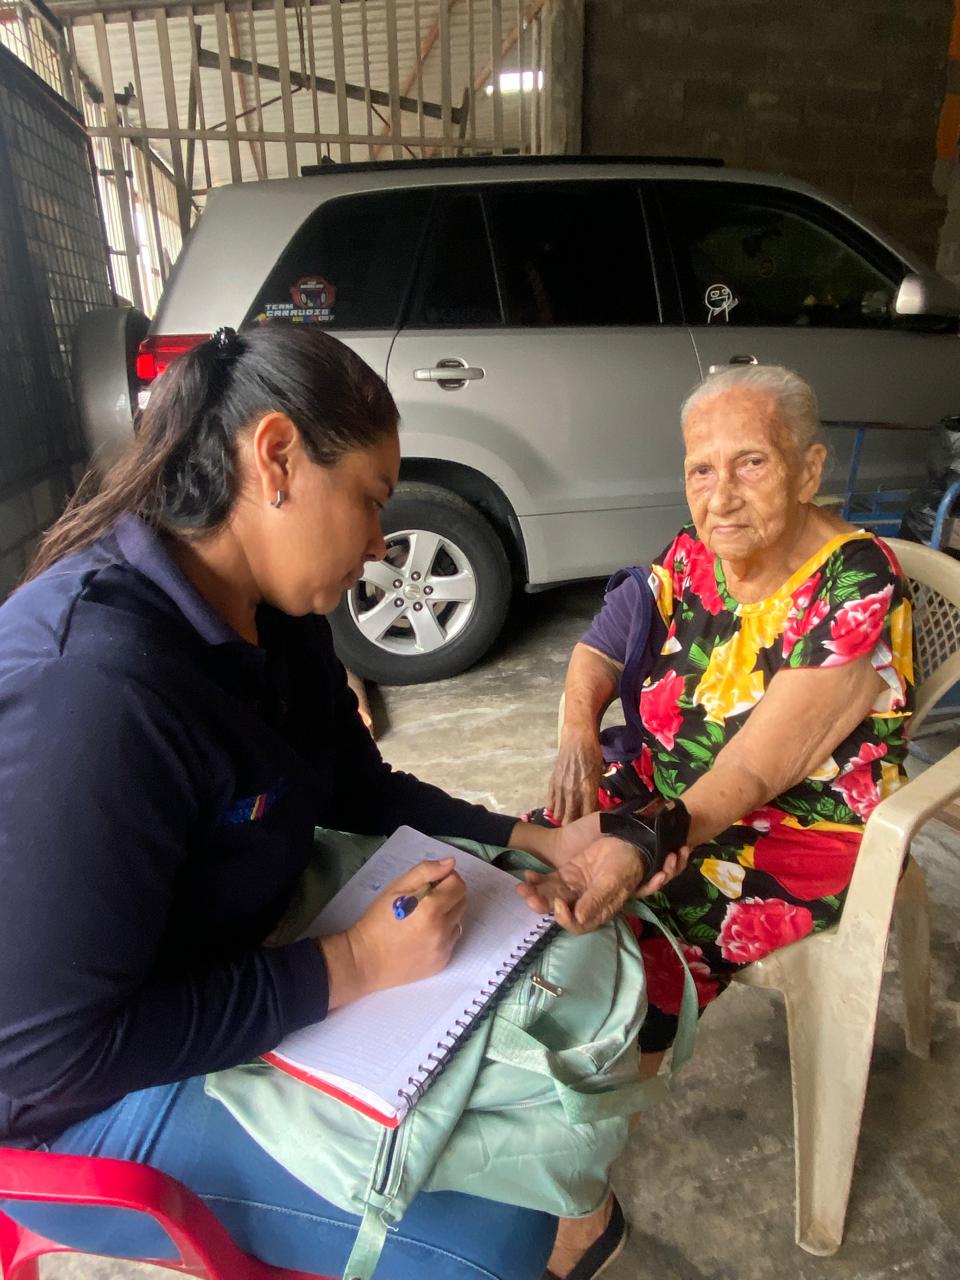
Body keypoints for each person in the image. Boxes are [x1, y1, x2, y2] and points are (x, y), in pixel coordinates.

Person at [0, 324, 681, 1280]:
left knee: (557, 992)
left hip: (220, 961)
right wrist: (351, 965)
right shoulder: (96, 690)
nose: (376, 545)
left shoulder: (275, 615)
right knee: (493, 1245)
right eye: (369, 499)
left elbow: (356, 786)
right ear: (276, 457)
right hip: (75, 1104)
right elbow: (51, 1053)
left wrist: (535, 838)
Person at [526, 364, 914, 1066]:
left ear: (808, 470)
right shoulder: (693, 553)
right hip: (667, 787)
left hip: (792, 827)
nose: (722, 497)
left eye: (751, 463)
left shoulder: (854, 582)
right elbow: (600, 648)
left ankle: (606, 1089)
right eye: (700, 471)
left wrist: (646, 839)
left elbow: (754, 769)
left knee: (642, 940)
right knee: (531, 858)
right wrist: (578, 732)